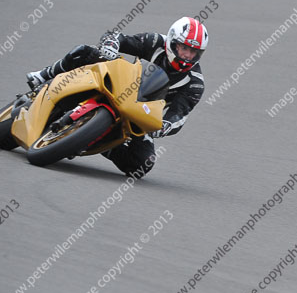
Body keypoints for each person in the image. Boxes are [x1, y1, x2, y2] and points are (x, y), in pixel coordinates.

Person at [26, 17, 208, 177]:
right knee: (85, 51)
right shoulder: (155, 42)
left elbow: (179, 115)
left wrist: (164, 126)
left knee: (143, 164)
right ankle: (44, 75)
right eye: (184, 48)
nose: (187, 55)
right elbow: (118, 37)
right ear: (173, 42)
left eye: (194, 52)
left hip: (139, 113)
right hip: (121, 83)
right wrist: (111, 45)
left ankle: (100, 142)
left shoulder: (194, 84)